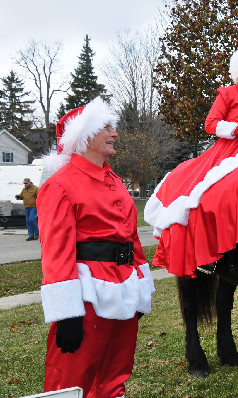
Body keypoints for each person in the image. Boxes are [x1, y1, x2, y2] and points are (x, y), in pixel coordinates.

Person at [38, 97, 155, 397]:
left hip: (124, 288)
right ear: (84, 135)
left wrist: (141, 288)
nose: (115, 133)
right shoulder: (61, 184)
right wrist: (66, 313)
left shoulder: (113, 179)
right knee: (72, 379)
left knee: (115, 375)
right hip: (86, 295)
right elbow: (56, 251)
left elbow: (131, 238)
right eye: (107, 127)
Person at [145, 40, 238, 277]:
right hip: (232, 152)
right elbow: (211, 124)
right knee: (224, 190)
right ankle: (213, 251)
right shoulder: (228, 93)